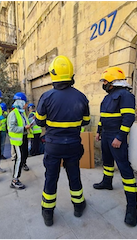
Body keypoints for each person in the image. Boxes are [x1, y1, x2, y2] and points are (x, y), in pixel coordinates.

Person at [35, 55, 90, 226]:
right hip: (73, 145)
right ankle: (78, 206)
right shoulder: (81, 97)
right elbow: (86, 121)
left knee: (51, 177)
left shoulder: (46, 97)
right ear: (71, 74)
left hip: (53, 146)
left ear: (53, 74)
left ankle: (48, 213)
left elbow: (38, 121)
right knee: (74, 175)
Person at [93, 66, 137, 227]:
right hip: (105, 134)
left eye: (105, 81)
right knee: (107, 161)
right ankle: (107, 182)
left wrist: (120, 137)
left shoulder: (125, 95)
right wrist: (98, 131)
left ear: (113, 82)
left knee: (124, 168)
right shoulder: (108, 97)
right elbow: (103, 116)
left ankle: (132, 207)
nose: (103, 83)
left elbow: (128, 118)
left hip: (116, 136)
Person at [7, 92, 34, 189]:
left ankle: (17, 175)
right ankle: (14, 180)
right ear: (20, 102)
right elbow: (11, 128)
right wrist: (24, 128)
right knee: (18, 159)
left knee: (23, 157)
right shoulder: (13, 114)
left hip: (23, 138)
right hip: (17, 140)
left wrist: (31, 121)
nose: (27, 105)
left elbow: (24, 124)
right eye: (25, 102)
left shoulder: (21, 113)